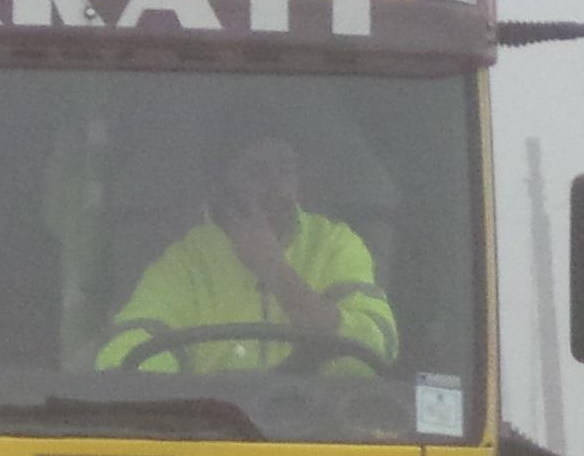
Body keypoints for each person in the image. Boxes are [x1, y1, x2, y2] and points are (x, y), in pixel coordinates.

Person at [90, 135, 396, 377]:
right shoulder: (187, 261)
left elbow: (372, 350)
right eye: (257, 172)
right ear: (221, 187)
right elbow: (131, 347)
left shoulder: (335, 244)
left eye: (286, 169)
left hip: (324, 437)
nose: (278, 186)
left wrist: (274, 270)